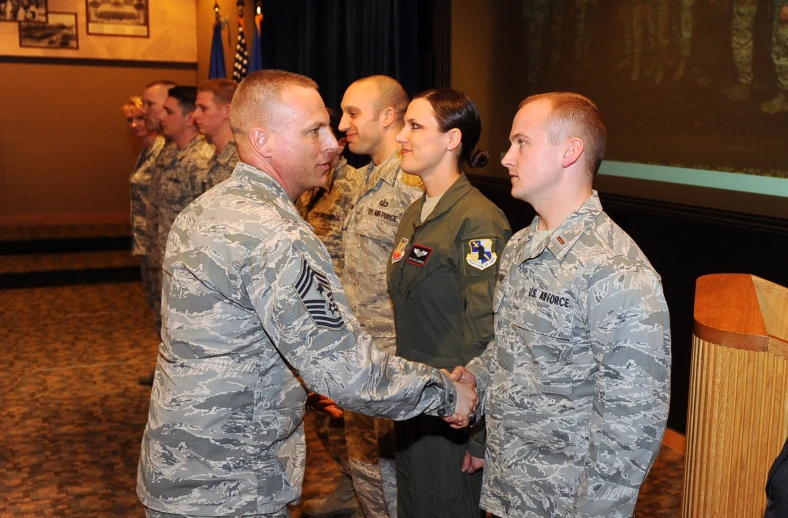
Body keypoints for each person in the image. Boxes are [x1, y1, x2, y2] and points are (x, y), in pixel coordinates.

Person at [137, 69, 478, 518]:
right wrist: (450, 394)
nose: (332, 143)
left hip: (182, 467)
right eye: (313, 130)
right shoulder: (276, 234)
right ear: (263, 140)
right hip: (232, 485)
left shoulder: (207, 210)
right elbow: (350, 374)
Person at [449, 92, 671, 518]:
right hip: (510, 490)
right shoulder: (520, 248)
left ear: (570, 152)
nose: (506, 158)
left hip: (568, 504)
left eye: (521, 143)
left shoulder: (617, 270)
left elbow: (631, 426)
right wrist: (473, 381)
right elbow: (512, 352)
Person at [387, 89, 511, 518]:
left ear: (452, 139)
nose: (401, 136)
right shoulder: (415, 213)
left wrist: (478, 435)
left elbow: (488, 332)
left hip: (453, 415)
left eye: (415, 126)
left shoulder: (479, 219)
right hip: (413, 403)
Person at [337, 75, 424, 518]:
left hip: (395, 360)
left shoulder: (414, 185)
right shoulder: (362, 180)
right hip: (360, 356)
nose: (342, 123)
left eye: (352, 113)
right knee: (368, 475)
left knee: (397, 480)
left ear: (389, 116)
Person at [295, 108, 364, 518]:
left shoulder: (356, 188)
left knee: (345, 419)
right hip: (309, 324)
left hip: (341, 325)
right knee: (324, 418)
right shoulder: (311, 187)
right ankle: (350, 484)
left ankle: (358, 492)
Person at [155, 85, 214, 269]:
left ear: (189, 119)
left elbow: (206, 224)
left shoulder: (200, 161)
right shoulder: (173, 153)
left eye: (168, 112)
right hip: (168, 258)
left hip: (187, 266)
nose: (161, 117)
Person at [123, 96, 166, 338]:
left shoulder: (161, 149)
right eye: (129, 120)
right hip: (145, 241)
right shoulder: (146, 151)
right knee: (155, 304)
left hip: (158, 240)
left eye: (140, 117)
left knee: (163, 306)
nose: (135, 124)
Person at [137, 80, 176, 339]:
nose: (144, 111)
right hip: (154, 245)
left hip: (172, 251)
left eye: (150, 104)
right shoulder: (164, 147)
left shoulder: (183, 149)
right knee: (161, 315)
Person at [194, 79, 240, 189]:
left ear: (227, 111)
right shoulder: (215, 155)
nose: (195, 114)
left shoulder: (241, 163)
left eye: (203, 108)